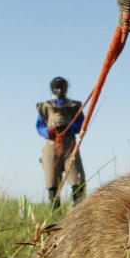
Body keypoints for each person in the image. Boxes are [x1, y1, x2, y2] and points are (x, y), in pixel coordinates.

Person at [36, 76, 86, 208]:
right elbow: (39, 126)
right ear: (53, 89)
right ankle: (54, 212)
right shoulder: (45, 107)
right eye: (56, 88)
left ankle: (77, 209)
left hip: (69, 145)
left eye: (61, 87)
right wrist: (48, 132)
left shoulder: (74, 106)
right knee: (51, 180)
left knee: (77, 178)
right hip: (52, 145)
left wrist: (69, 127)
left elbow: (82, 124)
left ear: (66, 89)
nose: (59, 90)